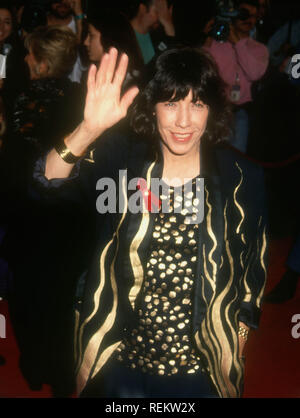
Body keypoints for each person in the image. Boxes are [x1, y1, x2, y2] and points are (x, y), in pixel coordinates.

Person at [32, 46, 268, 398]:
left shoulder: (241, 177)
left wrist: (241, 331)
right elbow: (44, 185)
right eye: (171, 103)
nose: (184, 121)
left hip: (201, 369)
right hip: (118, 360)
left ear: (212, 110)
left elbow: (253, 263)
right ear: (152, 106)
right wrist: (88, 129)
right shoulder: (121, 164)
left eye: (197, 104)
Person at [203, 0, 269, 153]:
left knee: (235, 161)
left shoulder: (260, 49)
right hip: (215, 110)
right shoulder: (216, 44)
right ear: (233, 14)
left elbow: (255, 73)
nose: (249, 20)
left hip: (239, 114)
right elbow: (201, 66)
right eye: (244, 14)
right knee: (209, 158)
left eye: (253, 16)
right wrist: (205, 38)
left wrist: (238, 43)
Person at [83, 8, 144, 87]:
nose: (86, 42)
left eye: (91, 35)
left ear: (108, 38)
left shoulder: (132, 84)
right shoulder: (95, 73)